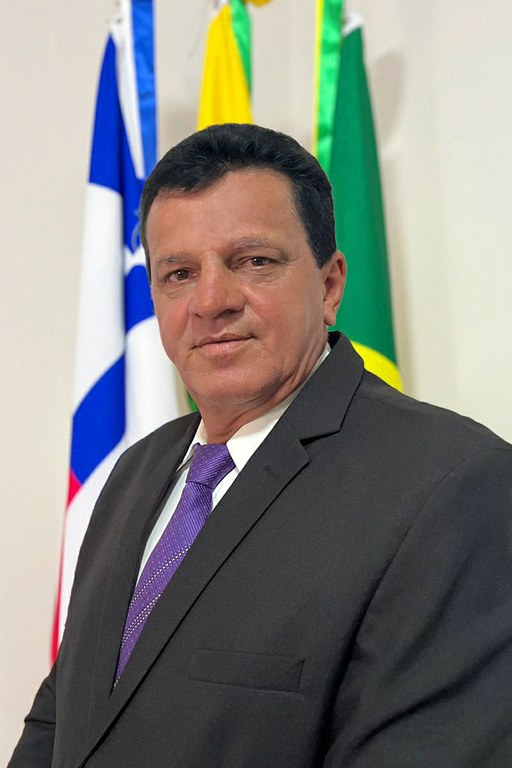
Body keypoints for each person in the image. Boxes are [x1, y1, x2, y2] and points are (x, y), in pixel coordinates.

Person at [10, 123, 512, 767]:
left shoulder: (453, 485)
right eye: (178, 273)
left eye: (253, 262)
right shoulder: (135, 470)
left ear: (330, 285)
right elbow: (62, 718)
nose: (210, 301)